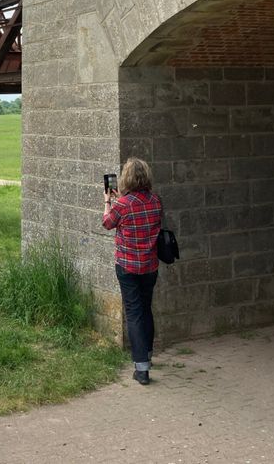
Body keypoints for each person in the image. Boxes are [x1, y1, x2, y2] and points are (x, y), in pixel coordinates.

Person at [102, 156, 163, 385]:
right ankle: (147, 354)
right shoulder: (156, 201)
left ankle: (141, 369)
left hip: (127, 266)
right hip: (150, 266)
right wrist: (121, 201)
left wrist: (108, 202)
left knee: (134, 313)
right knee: (146, 310)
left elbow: (108, 223)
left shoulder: (123, 205)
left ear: (126, 178)